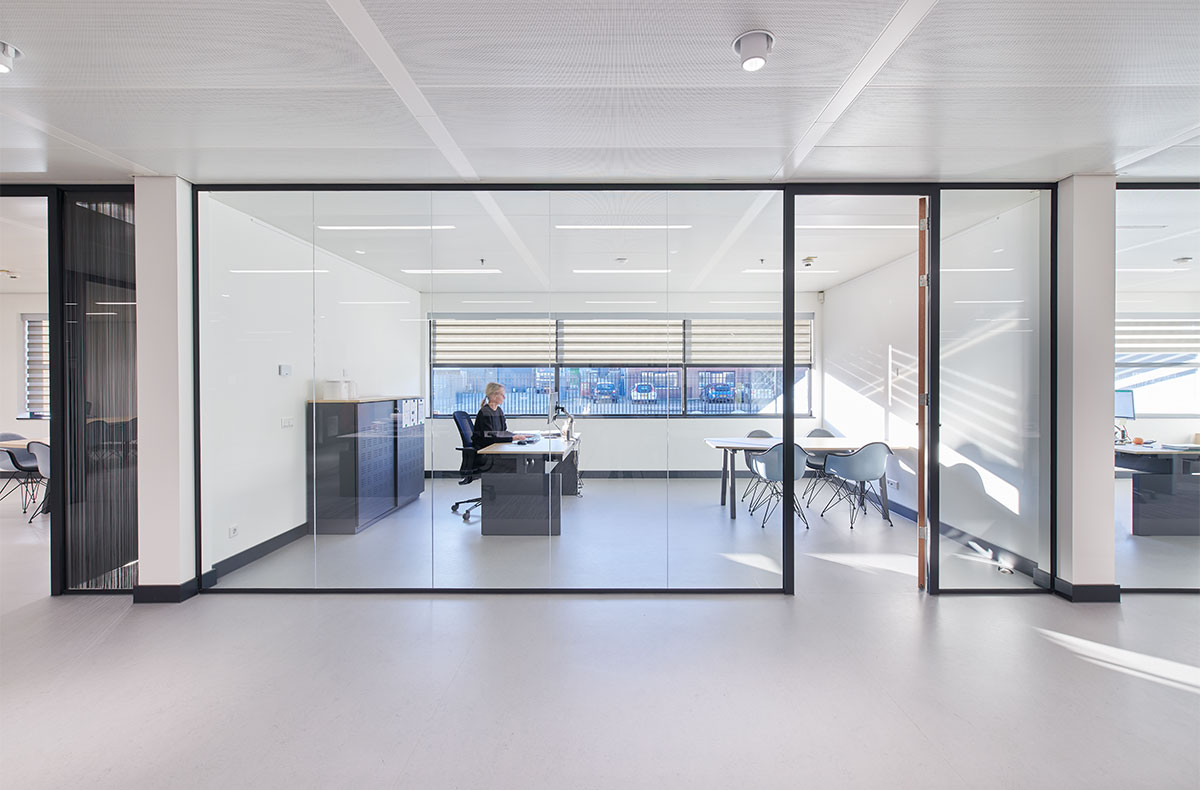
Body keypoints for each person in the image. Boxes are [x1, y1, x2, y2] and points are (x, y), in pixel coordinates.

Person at [472, 382, 532, 449]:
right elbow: (489, 438)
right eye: (502, 395)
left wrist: (518, 436)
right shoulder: (485, 413)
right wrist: (513, 438)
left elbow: (503, 433)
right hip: (485, 449)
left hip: (495, 446)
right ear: (494, 395)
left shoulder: (499, 411)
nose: (504, 397)